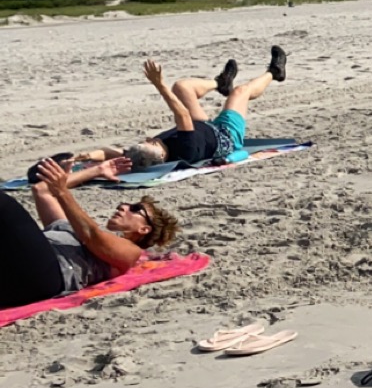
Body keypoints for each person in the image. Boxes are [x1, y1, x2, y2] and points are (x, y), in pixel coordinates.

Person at [0, 158, 178, 309]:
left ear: (144, 229)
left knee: (5, 206)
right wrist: (97, 171)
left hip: (49, 275)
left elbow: (91, 235)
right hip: (19, 276)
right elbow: (42, 190)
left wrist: (62, 191)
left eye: (135, 209)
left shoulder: (132, 252)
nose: (123, 207)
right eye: (126, 204)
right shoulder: (71, 228)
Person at [122, 48, 288, 172]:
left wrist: (104, 158)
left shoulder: (148, 153)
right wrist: (159, 84)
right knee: (240, 92)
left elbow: (116, 153)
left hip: (202, 127)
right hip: (226, 135)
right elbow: (182, 114)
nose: (149, 138)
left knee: (181, 87)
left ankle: (221, 83)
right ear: (161, 157)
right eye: (151, 142)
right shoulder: (185, 150)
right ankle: (274, 72)